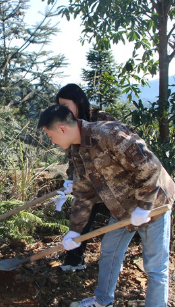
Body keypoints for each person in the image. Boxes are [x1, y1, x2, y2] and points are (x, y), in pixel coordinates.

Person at [38, 104, 175, 307]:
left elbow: (151, 166)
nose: (52, 141)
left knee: (155, 267)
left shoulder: (110, 133)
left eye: (50, 136)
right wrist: (75, 232)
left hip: (155, 203)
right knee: (109, 252)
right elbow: (84, 194)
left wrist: (144, 206)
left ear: (62, 129)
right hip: (122, 208)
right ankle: (103, 300)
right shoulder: (77, 151)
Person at [53, 83, 117, 272]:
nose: (61, 110)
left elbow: (123, 146)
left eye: (65, 105)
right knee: (82, 215)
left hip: (114, 181)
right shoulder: (70, 125)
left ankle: (114, 263)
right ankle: (74, 260)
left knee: (120, 221)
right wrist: (70, 179)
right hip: (90, 182)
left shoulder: (101, 119)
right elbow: (72, 155)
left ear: (78, 102)